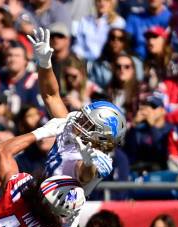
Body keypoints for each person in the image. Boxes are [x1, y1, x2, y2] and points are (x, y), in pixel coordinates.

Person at [28, 27, 127, 198]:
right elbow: (51, 96)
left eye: (88, 122)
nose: (80, 120)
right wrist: (45, 64)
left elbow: (83, 175)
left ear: (100, 137)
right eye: (84, 116)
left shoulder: (95, 157)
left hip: (59, 218)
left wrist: (88, 164)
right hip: (40, 202)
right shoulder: (72, 126)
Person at [125, 92, 171, 171]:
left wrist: (152, 125)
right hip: (139, 171)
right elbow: (129, 152)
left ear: (163, 111)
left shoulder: (170, 130)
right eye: (147, 106)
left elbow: (161, 152)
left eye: (153, 106)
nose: (149, 110)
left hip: (161, 172)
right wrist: (133, 125)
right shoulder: (140, 129)